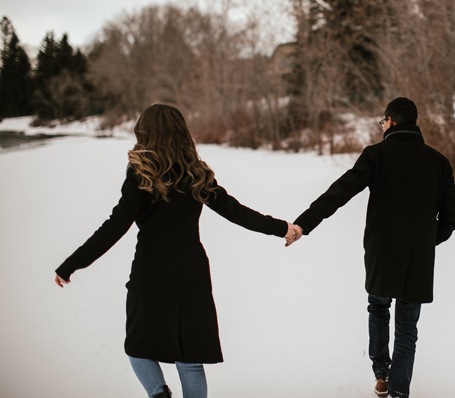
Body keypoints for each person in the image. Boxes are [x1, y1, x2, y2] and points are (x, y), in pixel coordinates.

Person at [54, 103, 300, 398]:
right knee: (190, 358)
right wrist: (281, 227)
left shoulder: (140, 172)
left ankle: (159, 395)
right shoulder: (195, 172)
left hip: (151, 270)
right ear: (181, 132)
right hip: (191, 270)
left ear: (144, 132)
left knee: (137, 347)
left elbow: (116, 225)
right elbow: (236, 212)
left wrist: (72, 263)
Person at [289, 97, 455, 398]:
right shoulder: (438, 162)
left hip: (382, 249)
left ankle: (382, 373)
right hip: (418, 255)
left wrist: (304, 224)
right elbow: (453, 218)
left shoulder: (377, 155)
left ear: (391, 121)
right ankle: (398, 391)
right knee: (408, 326)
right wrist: (426, 239)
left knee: (379, 306)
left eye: (383, 121)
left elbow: (339, 192)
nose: (382, 126)